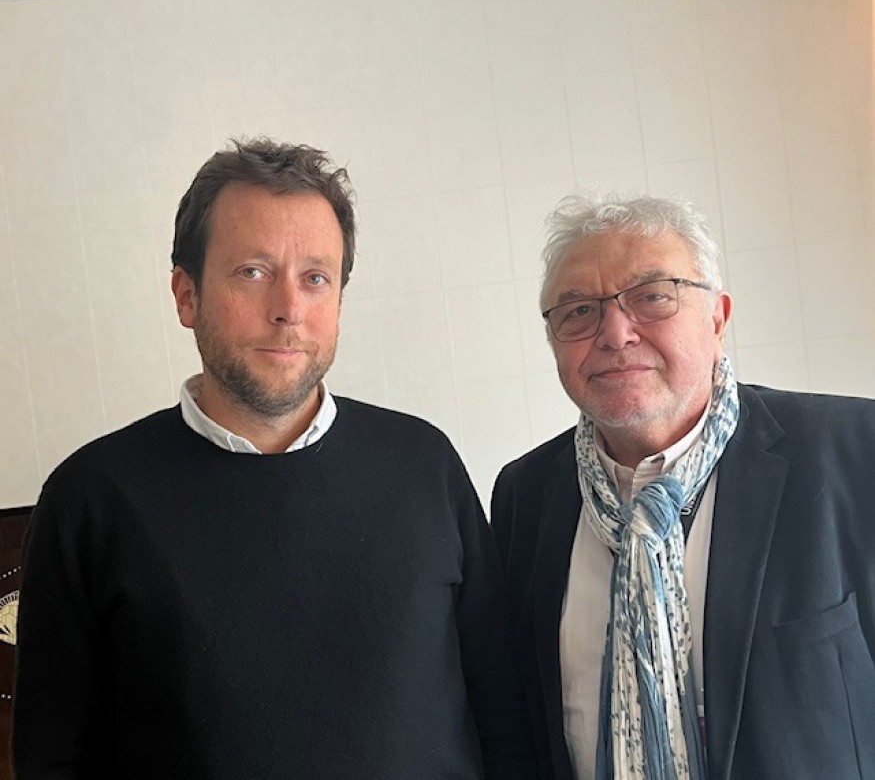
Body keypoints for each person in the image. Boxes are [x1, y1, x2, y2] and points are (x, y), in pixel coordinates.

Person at [13, 138, 536, 779]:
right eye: (253, 272)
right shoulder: (90, 501)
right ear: (186, 295)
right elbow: (52, 758)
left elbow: (505, 716)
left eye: (315, 278)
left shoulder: (426, 465)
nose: (288, 309)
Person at [491, 194, 875, 780]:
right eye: (579, 310)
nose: (615, 333)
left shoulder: (853, 452)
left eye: (652, 296)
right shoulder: (524, 496)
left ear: (717, 318)